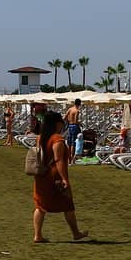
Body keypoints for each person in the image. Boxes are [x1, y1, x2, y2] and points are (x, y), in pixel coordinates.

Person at [32, 110, 89, 243]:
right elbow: (59, 160)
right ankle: (76, 233)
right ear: (56, 124)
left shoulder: (40, 138)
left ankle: (37, 235)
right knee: (67, 204)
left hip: (41, 175)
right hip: (54, 176)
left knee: (40, 206)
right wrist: (64, 178)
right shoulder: (57, 139)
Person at [64, 99, 82, 165]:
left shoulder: (70, 109)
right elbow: (75, 121)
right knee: (73, 144)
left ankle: (68, 160)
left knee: (69, 143)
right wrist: (80, 124)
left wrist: (69, 122)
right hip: (74, 127)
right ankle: (72, 160)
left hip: (70, 126)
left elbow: (64, 118)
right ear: (79, 104)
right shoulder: (77, 111)